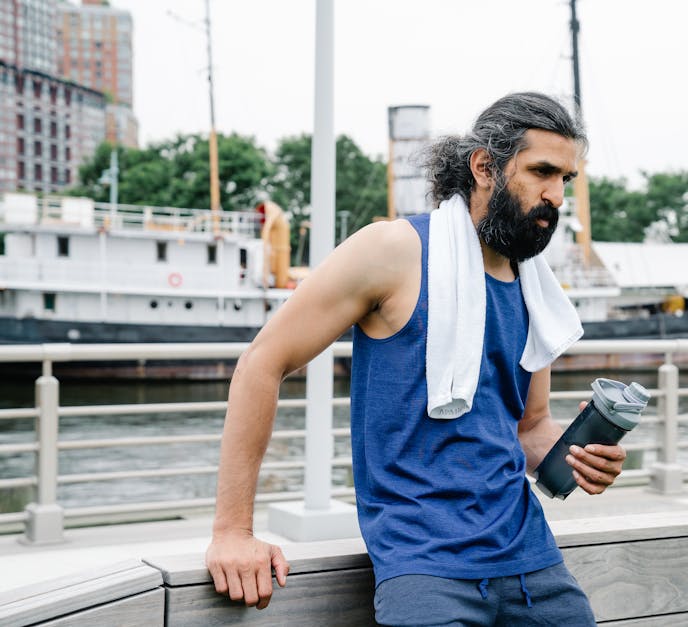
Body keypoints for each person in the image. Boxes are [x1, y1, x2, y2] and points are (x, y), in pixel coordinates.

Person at [205, 91, 626, 625]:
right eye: (541, 171)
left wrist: (581, 458)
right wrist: (233, 532)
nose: (556, 197)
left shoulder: (533, 285)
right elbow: (262, 362)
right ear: (484, 167)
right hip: (424, 566)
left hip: (529, 559)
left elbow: (530, 428)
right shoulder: (393, 251)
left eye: (564, 179)